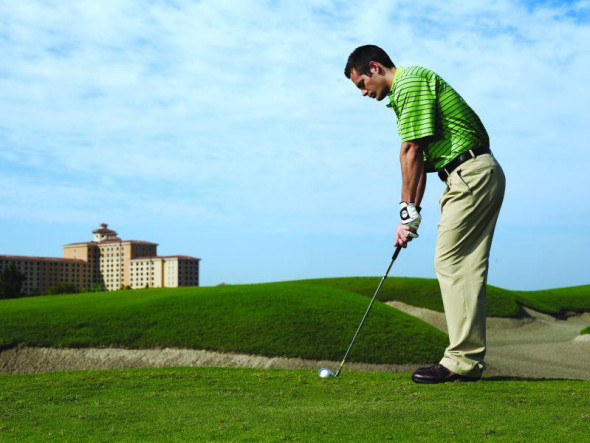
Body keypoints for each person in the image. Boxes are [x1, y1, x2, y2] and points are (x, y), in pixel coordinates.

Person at [344, 45, 505, 384]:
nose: (363, 93)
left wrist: (406, 211)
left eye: (361, 83)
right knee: (461, 263)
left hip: (470, 172)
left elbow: (410, 150)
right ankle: (466, 359)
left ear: (375, 67)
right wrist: (410, 215)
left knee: (452, 261)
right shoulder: (405, 93)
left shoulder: (410, 82)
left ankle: (462, 360)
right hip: (465, 174)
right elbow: (416, 159)